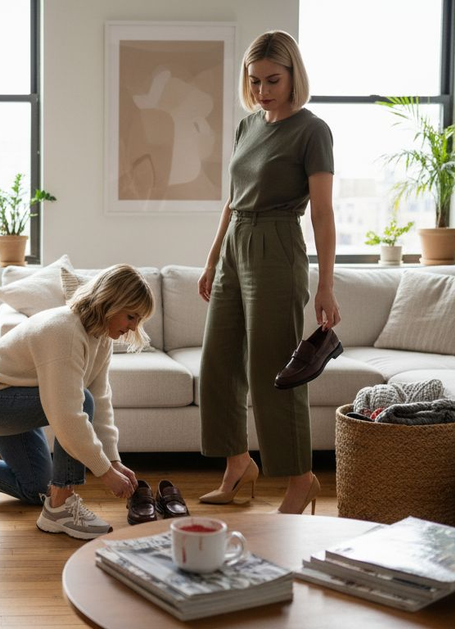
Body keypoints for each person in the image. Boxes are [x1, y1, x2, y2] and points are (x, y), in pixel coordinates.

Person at [197, 31, 340, 515]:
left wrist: (326, 284)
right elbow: (232, 199)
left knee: (272, 371)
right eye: (254, 81)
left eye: (273, 80)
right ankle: (238, 463)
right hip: (237, 243)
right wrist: (213, 257)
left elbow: (322, 211)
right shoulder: (247, 127)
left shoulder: (312, 130)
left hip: (279, 246)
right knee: (216, 364)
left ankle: (301, 479)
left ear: (294, 75)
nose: (262, 90)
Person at [0, 264, 154, 540]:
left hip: (17, 398)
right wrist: (105, 472)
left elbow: (102, 402)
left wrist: (114, 461)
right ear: (110, 302)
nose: (132, 328)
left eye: (137, 321)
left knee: (35, 488)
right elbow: (67, 415)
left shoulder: (101, 340)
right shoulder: (65, 331)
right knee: (81, 403)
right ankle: (61, 506)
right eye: (130, 317)